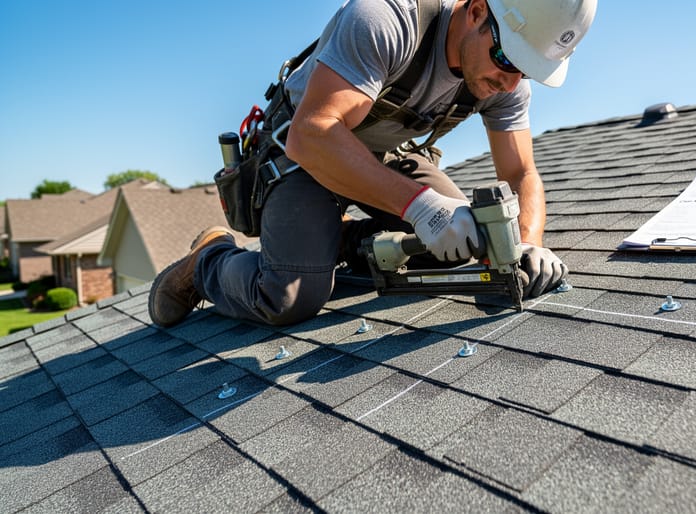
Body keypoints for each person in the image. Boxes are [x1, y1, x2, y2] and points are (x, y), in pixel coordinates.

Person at [149, 0, 597, 327]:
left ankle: (338, 237)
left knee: (474, 244)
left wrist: (527, 242)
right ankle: (207, 261)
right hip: (301, 157)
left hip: (383, 156)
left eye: (527, 69)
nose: (510, 81)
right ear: (478, 10)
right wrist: (423, 208)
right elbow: (313, 134)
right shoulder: (387, 18)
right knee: (287, 298)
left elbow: (520, 174)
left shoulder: (505, 81)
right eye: (506, 59)